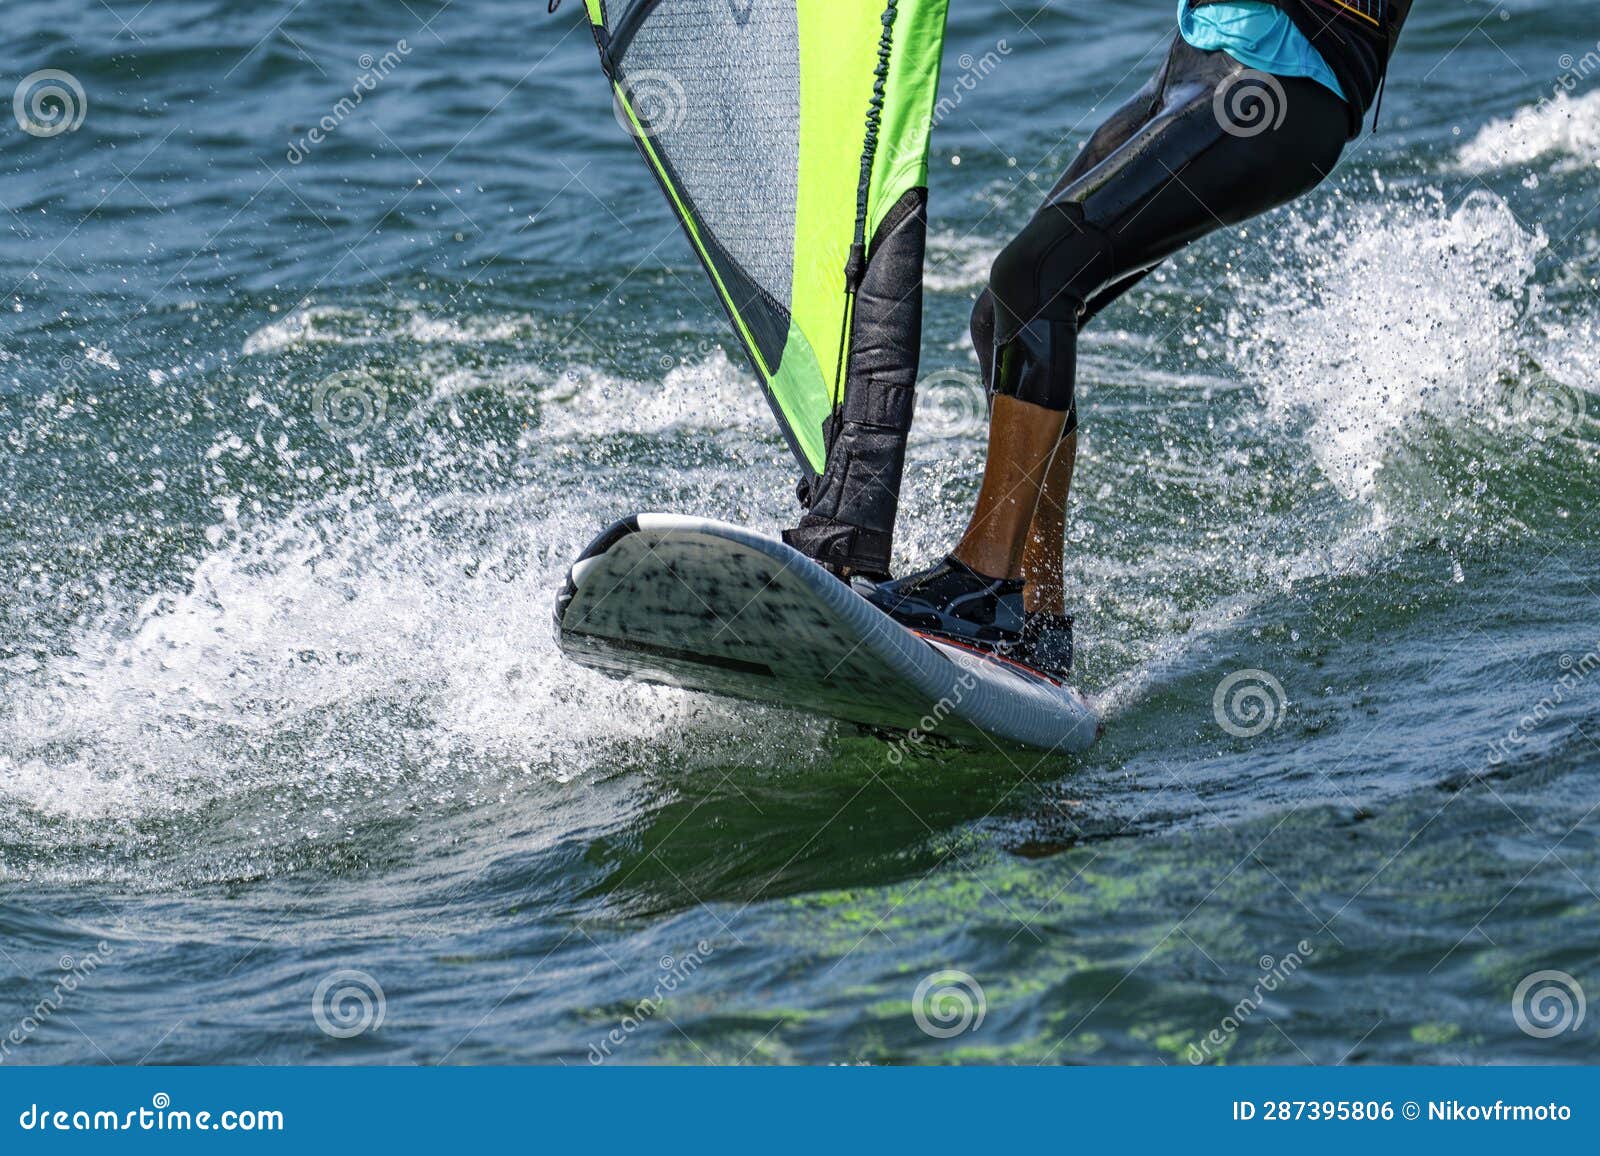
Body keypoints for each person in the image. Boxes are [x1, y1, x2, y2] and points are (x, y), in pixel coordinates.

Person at [866, 0, 1412, 677]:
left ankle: (983, 583)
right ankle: (1038, 615)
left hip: (1280, 86)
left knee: (1036, 279)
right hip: (1194, 70)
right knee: (1003, 313)